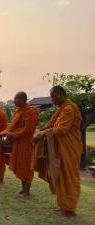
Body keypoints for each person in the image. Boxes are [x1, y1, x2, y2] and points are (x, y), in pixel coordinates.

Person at [34, 86, 83, 217]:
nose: (52, 99)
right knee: (60, 176)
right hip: (60, 149)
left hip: (69, 149)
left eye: (53, 97)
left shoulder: (69, 109)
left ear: (61, 95)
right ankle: (63, 206)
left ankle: (69, 209)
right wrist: (41, 131)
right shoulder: (61, 109)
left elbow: (61, 129)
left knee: (68, 177)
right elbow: (51, 125)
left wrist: (43, 133)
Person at [1, 92, 39, 197]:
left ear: (23, 99)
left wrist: (14, 135)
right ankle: (23, 188)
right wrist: (6, 133)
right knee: (19, 165)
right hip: (17, 143)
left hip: (26, 143)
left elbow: (28, 129)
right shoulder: (18, 111)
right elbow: (13, 126)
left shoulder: (31, 111)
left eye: (16, 99)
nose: (14, 101)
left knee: (26, 166)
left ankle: (27, 191)